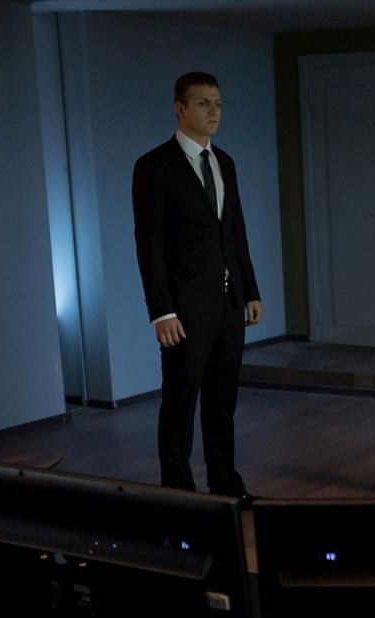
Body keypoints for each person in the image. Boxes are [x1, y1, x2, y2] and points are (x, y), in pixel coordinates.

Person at [132, 71, 262, 500]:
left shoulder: (225, 162)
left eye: (218, 104)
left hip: (229, 304)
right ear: (180, 108)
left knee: (222, 403)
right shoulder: (155, 166)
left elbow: (236, 232)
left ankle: (226, 488)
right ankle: (179, 498)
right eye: (204, 103)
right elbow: (149, 244)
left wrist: (250, 290)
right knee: (180, 403)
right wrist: (161, 311)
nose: (214, 112)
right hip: (184, 310)